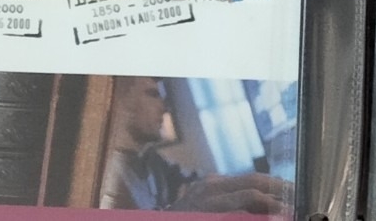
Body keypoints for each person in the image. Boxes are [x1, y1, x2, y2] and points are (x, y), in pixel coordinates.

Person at [99, 77, 290, 214]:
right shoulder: (100, 172)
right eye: (152, 94)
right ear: (117, 101)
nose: (164, 108)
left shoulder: (152, 162)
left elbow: (197, 183)